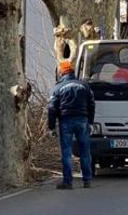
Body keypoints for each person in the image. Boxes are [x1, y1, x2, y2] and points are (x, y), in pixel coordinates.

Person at [48, 60, 96, 189]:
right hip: (83, 120)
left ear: (62, 72)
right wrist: (91, 121)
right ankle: (87, 180)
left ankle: (68, 182)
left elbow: (52, 108)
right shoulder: (84, 85)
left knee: (67, 152)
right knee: (85, 151)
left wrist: (51, 127)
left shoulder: (58, 88)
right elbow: (92, 104)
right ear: (72, 71)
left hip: (66, 121)